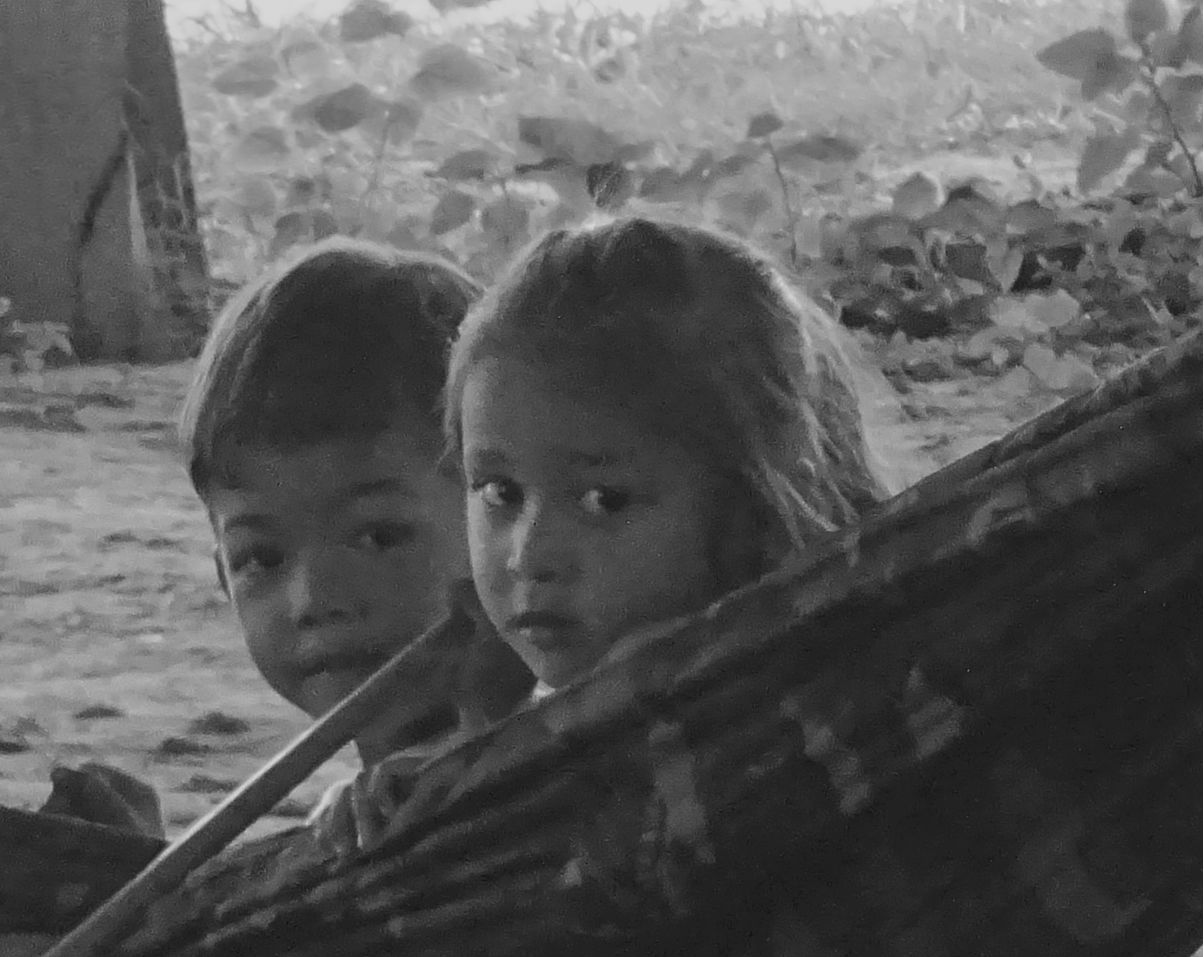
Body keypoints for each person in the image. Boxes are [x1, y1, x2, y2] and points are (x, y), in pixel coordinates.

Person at [318, 214, 892, 853]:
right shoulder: (519, 698)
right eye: (499, 493)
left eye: (604, 500)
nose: (529, 555)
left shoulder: (814, 710)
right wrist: (433, 777)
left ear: (754, 507)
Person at [175, 239, 534, 853]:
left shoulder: (575, 772)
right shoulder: (375, 804)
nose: (315, 599)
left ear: (503, 524)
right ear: (221, 577)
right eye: (261, 558)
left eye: (377, 536)